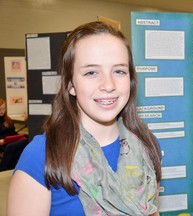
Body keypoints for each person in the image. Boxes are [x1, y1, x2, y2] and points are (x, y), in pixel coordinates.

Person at [7, 21, 162, 216]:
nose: (108, 84)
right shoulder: (42, 155)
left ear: (130, 80)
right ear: (70, 84)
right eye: (91, 72)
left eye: (119, 71)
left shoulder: (146, 146)